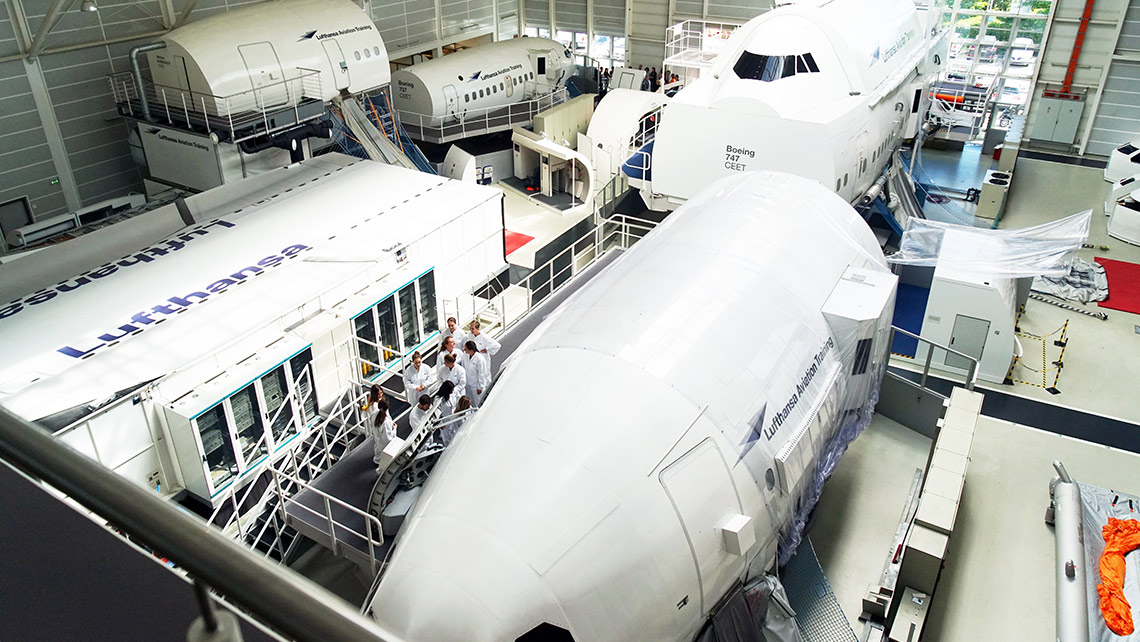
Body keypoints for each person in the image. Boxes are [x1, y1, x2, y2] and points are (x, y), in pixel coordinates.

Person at [368, 399, 397, 469]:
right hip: (384, 443)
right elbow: (388, 438)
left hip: (377, 438)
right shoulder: (386, 422)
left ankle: (377, 460)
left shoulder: (374, 414)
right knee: (385, 456)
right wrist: (394, 429)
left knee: (378, 450)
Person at [463, 341, 491, 407]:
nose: (464, 350)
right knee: (470, 403)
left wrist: (480, 387)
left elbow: (482, 373)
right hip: (469, 384)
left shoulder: (479, 359)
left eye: (465, 348)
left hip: (477, 386)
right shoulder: (466, 356)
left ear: (471, 349)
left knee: (479, 402)